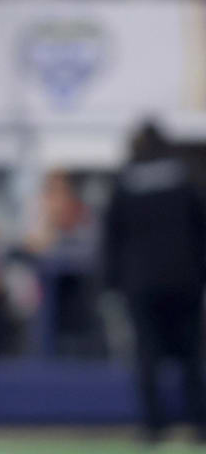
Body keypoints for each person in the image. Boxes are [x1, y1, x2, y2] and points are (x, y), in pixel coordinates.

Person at [103, 122, 206, 442]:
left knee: (146, 354)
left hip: (141, 282)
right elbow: (200, 226)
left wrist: (111, 282)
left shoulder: (126, 180)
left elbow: (111, 237)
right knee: (191, 354)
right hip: (185, 279)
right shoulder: (184, 175)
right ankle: (200, 424)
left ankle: (152, 426)